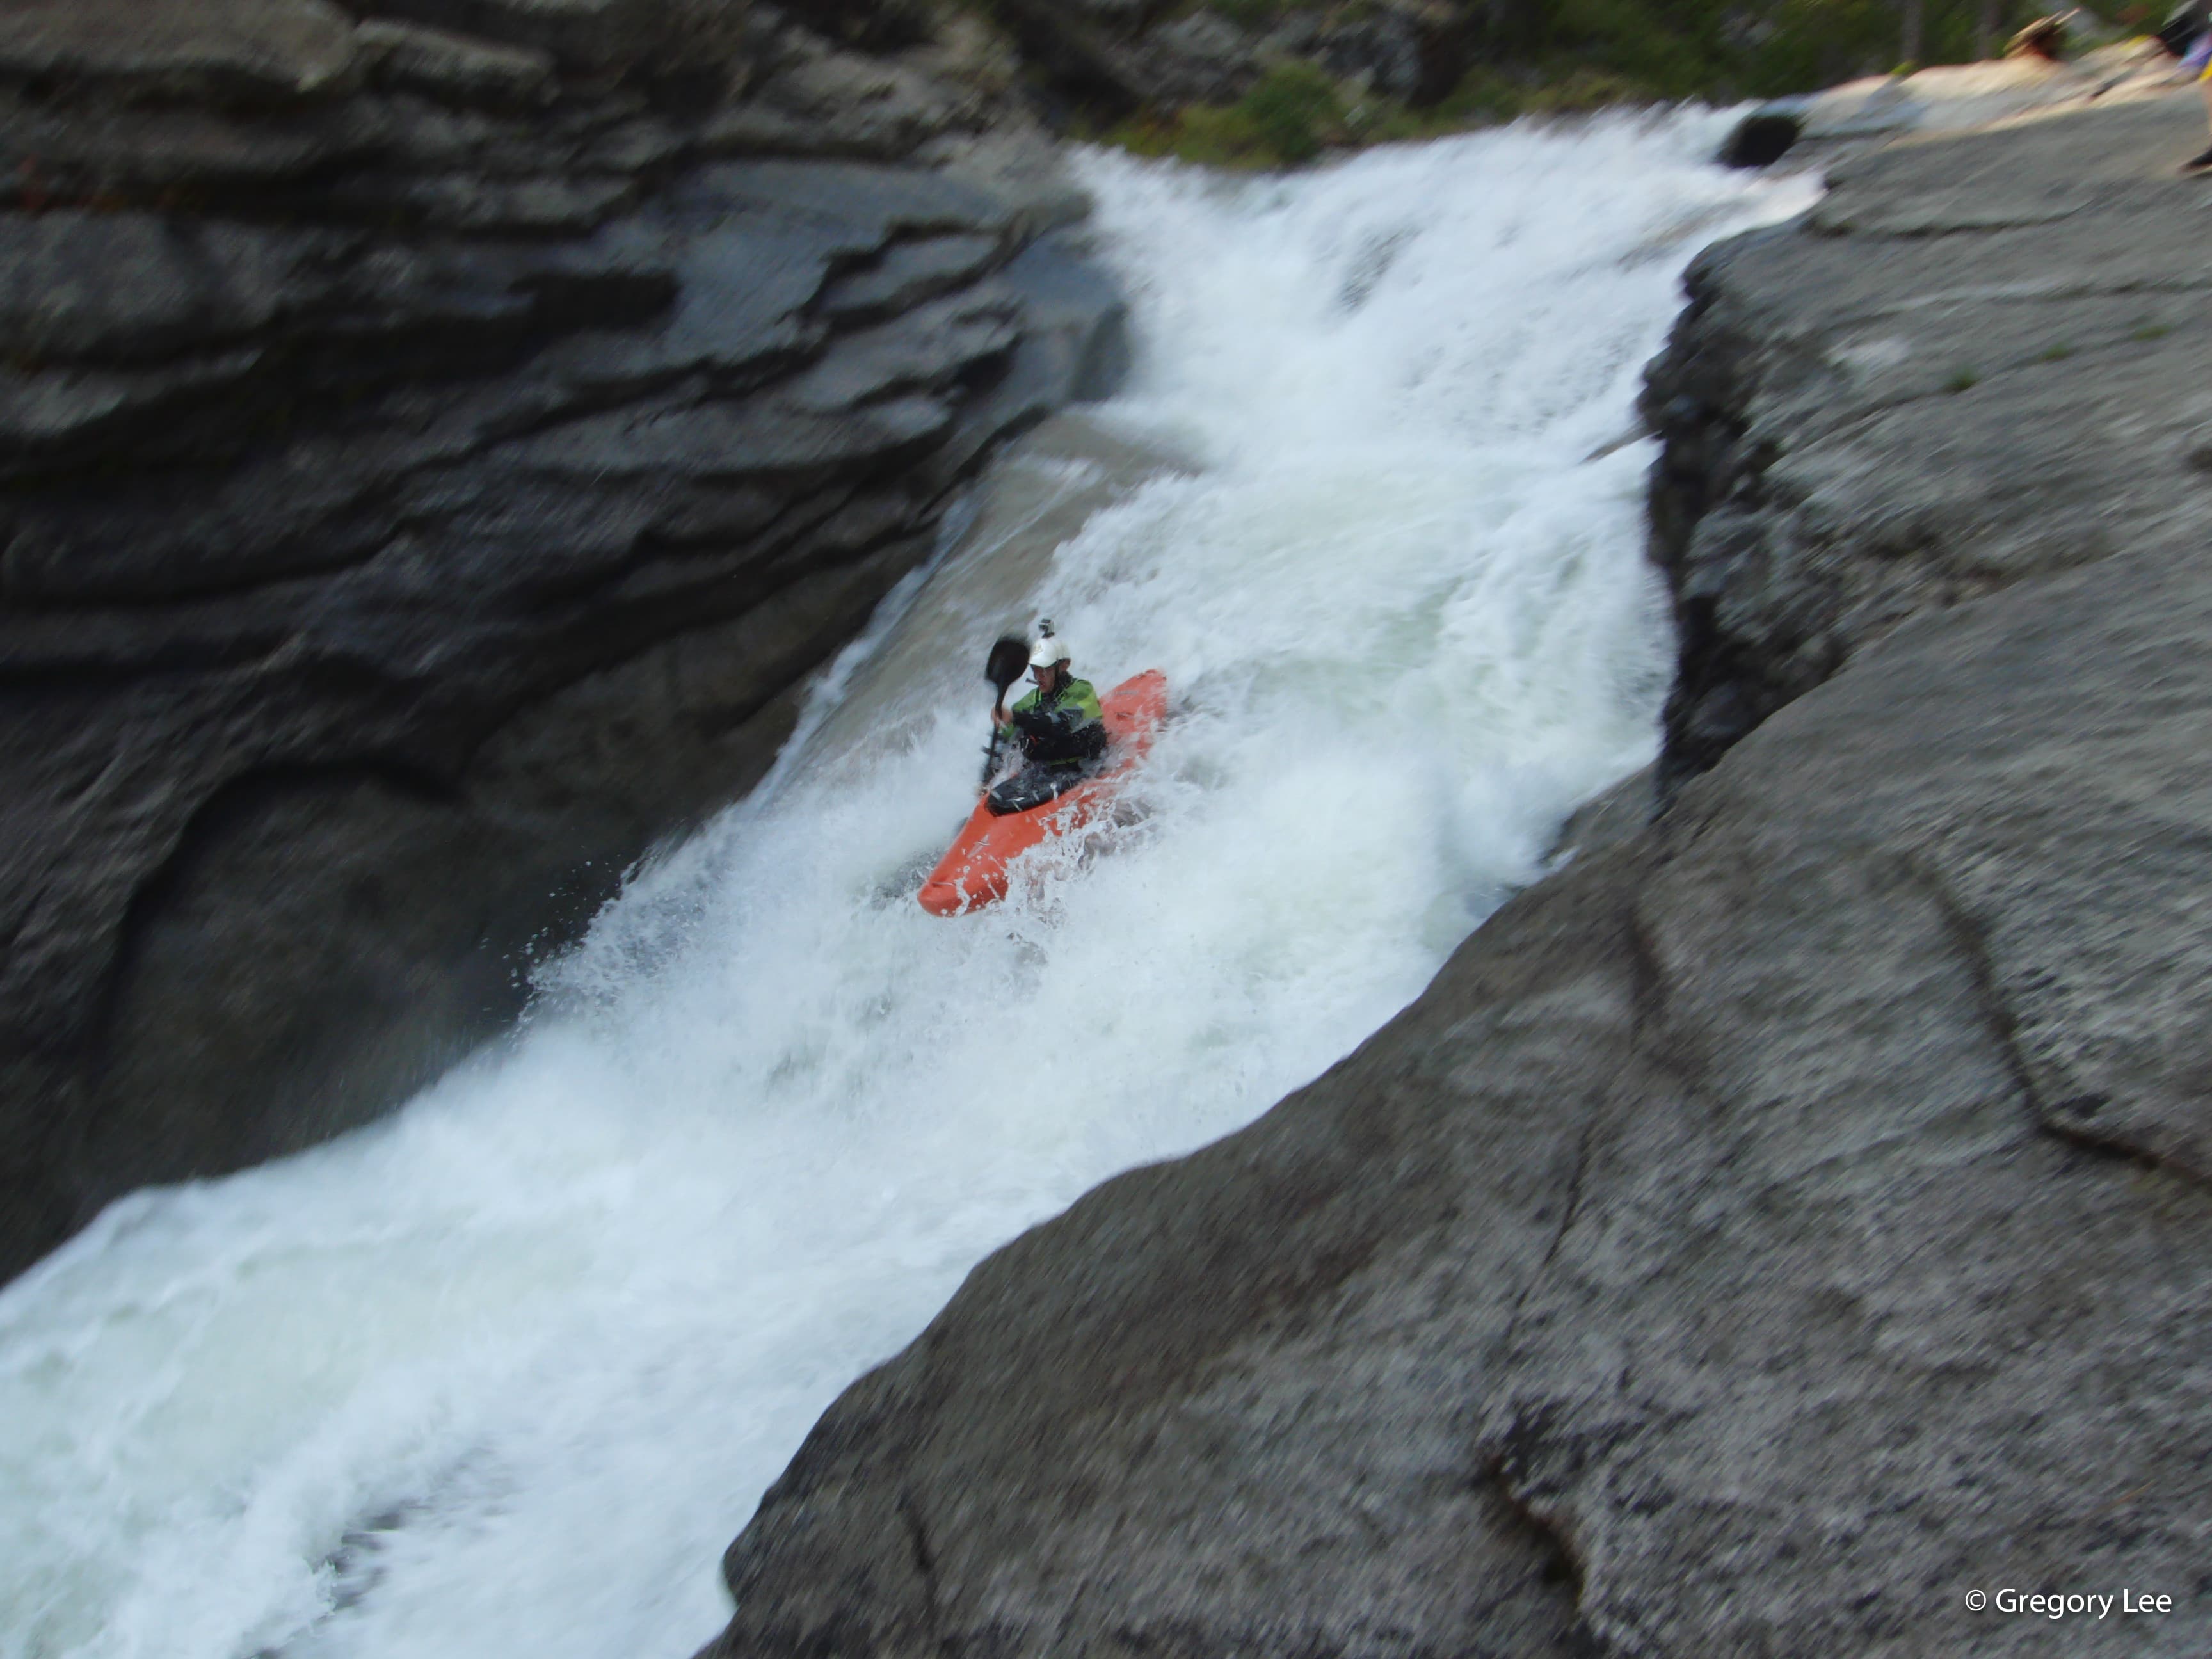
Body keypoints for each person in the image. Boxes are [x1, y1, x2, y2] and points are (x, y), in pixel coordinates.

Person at [986, 630, 1107, 815]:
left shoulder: (1082, 691)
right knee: (994, 802)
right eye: (1035, 669)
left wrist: (1016, 718)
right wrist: (989, 777)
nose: (1038, 676)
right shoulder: (1029, 701)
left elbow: (1061, 724)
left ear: (1064, 666)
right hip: (1047, 771)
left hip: (1084, 765)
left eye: (1045, 669)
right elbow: (1006, 741)